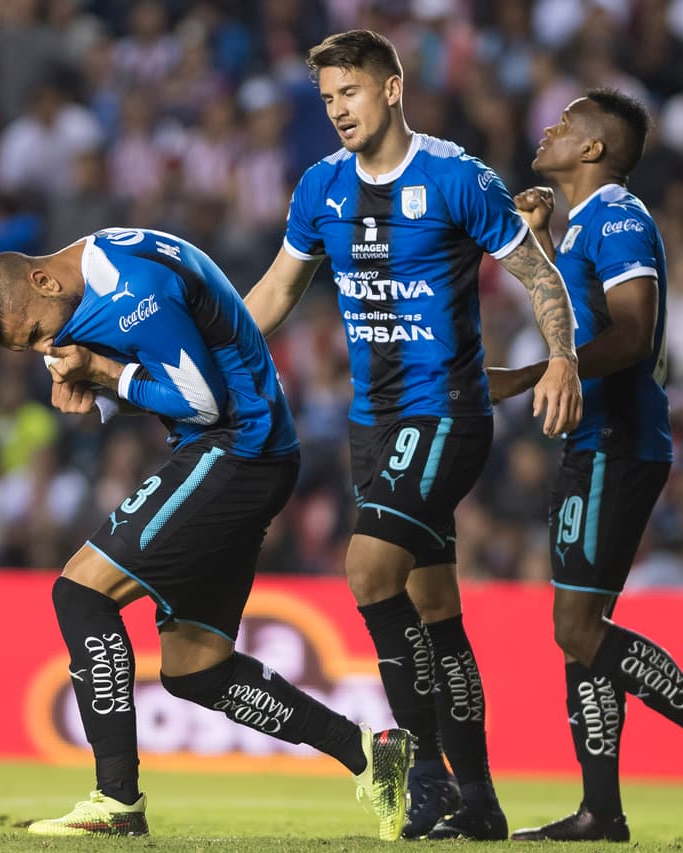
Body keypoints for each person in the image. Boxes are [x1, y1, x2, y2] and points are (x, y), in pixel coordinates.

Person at [0, 228, 413, 840]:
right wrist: (98, 389)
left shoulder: (130, 292)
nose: (48, 347)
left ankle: (116, 800)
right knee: (196, 669)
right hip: (254, 452)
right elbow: (185, 357)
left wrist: (104, 373)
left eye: (39, 333)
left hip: (237, 449)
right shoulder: (105, 261)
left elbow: (201, 404)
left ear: (43, 281)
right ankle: (370, 753)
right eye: (34, 349)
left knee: (80, 593)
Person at [243, 30, 582, 840]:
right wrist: (208, 355)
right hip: (373, 425)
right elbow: (276, 292)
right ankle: (485, 803)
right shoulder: (320, 188)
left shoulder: (458, 177)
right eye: (326, 98)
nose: (337, 111)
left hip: (446, 413)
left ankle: (425, 775)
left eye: (349, 93)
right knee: (434, 608)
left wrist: (562, 358)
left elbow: (538, 273)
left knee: (366, 569)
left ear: (391, 89)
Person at [486, 89, 683, 842]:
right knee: (584, 627)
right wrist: (541, 245)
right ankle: (599, 809)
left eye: (565, 123)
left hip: (617, 440)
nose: (547, 127)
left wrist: (532, 373)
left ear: (592, 150)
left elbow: (634, 333)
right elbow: (587, 308)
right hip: (596, 441)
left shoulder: (618, 216)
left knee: (577, 626)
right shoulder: (585, 224)